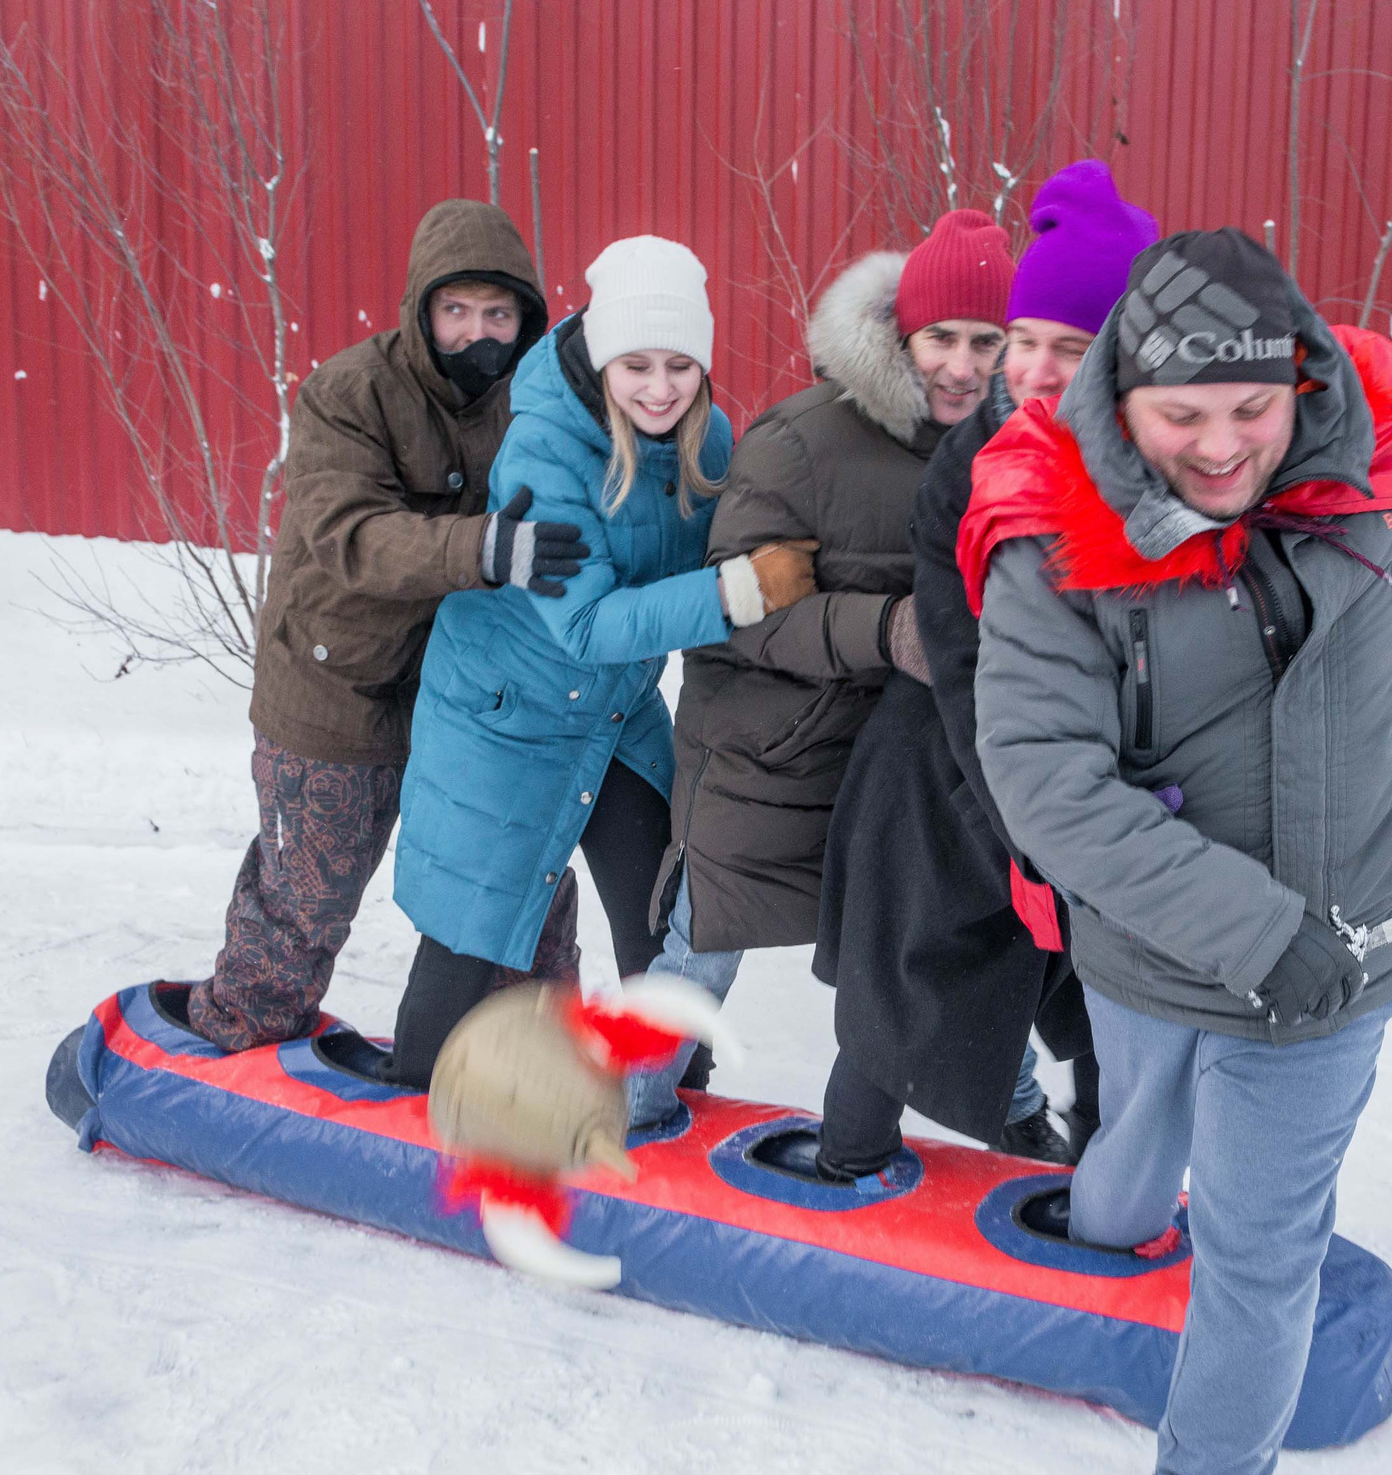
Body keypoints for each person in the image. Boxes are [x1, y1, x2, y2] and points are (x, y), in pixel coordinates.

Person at [964, 229, 1392, 1475]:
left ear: (1298, 386)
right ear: (1120, 396)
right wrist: (1253, 932)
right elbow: (1050, 786)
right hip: (1155, 951)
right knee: (1134, 1145)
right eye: (1180, 415)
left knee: (1261, 1250)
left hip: (1341, 962)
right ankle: (1104, 1243)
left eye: (1250, 410)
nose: (1219, 447)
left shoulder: (1369, 484)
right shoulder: (1056, 539)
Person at [381, 238, 818, 1083]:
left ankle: (669, 1100)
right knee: (473, 933)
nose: (660, 388)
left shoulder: (708, 440)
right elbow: (583, 625)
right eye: (637, 366)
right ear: (603, 357)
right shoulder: (546, 448)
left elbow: (725, 553)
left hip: (615, 712)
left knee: (661, 922)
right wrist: (736, 592)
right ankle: (409, 1101)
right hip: (507, 711)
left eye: (681, 366)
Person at [173, 199, 589, 1067]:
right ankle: (231, 1048)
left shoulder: (537, 398)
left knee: (519, 887)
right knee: (306, 903)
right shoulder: (347, 393)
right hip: (339, 691)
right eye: (456, 310)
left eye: (499, 314)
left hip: (471, 697)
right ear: (421, 308)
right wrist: (483, 546)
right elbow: (351, 533)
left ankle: (536, 1063)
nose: (477, 334)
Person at [809, 161, 1159, 1179]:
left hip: (1087, 787)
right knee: (899, 1002)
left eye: (1070, 348)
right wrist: (1037, 826)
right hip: (943, 776)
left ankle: (1105, 1199)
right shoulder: (968, 467)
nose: (1036, 369)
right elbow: (963, 672)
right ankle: (843, 1174)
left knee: (1107, 1006)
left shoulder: (1155, 464)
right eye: (1025, 341)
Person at [635, 210, 1018, 1126]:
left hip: (904, 765)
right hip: (773, 751)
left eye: (986, 341)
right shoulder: (802, 441)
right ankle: (616, 1113)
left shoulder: (1013, 449)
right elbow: (738, 614)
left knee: (957, 946)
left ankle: (1023, 1109)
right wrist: (885, 629)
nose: (962, 365)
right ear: (900, 335)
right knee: (701, 951)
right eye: (940, 338)